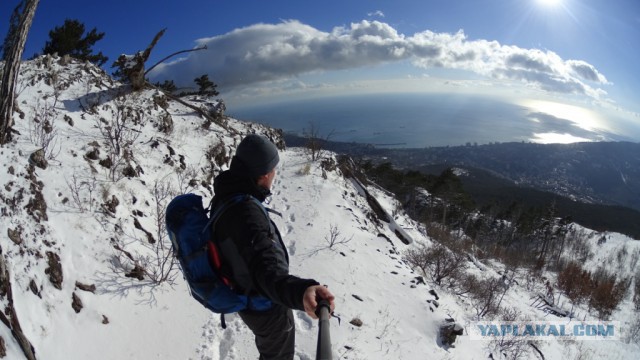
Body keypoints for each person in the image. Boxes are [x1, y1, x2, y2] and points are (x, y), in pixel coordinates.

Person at [212, 134, 335, 360]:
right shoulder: (247, 214)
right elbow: (267, 271)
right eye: (274, 169)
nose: (275, 175)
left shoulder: (227, 194)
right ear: (264, 175)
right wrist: (301, 291)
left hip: (244, 293)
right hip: (265, 306)